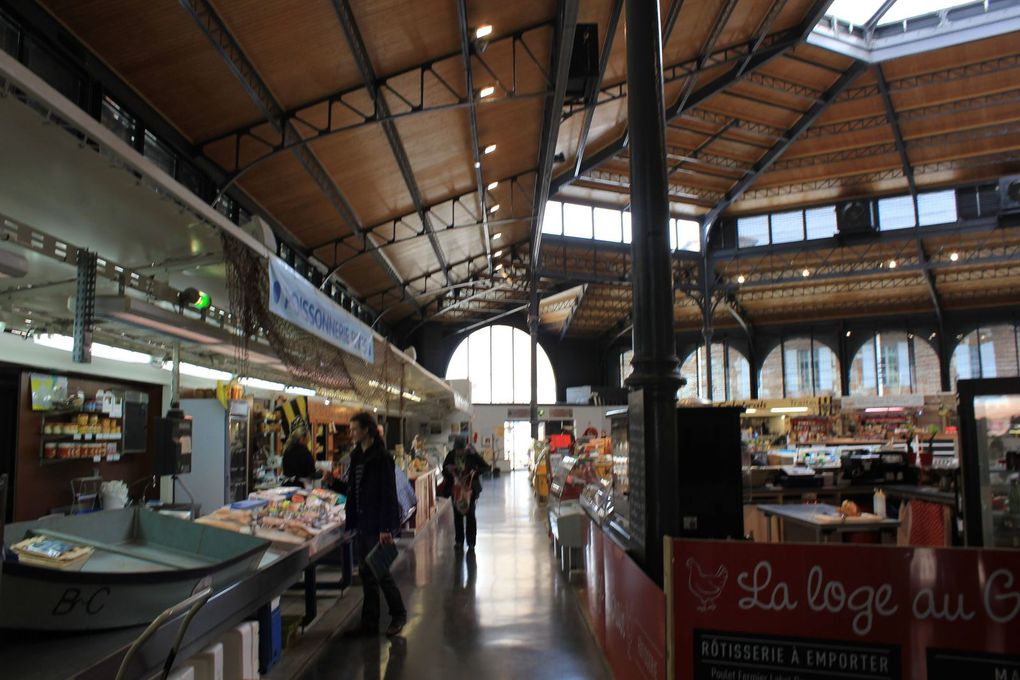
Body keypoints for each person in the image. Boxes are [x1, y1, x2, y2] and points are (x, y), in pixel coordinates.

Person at [326, 411, 407, 636]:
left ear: (366, 430)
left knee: (380, 571)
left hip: (375, 524)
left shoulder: (382, 458)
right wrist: (333, 483)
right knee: (366, 574)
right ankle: (369, 622)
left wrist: (385, 528)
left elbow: (388, 495)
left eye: (354, 429)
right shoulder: (357, 457)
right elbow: (351, 491)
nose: (351, 433)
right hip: (361, 523)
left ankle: (398, 614)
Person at [442, 436, 491, 552]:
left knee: (470, 515)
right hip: (456, 489)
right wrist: (449, 470)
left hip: (470, 490)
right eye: (458, 450)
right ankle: (459, 541)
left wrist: (475, 471)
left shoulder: (472, 454)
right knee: (457, 516)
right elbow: (444, 469)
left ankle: (471, 543)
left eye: (461, 450)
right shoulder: (451, 455)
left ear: (466, 447)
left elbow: (486, 467)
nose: (460, 452)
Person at [281, 418, 316, 488]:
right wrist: (321, 473)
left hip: (286, 486)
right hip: (300, 487)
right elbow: (311, 473)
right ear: (302, 438)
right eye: (308, 437)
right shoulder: (304, 452)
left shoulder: (287, 450)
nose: (309, 440)